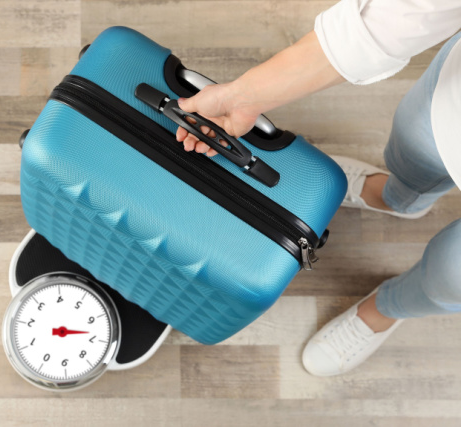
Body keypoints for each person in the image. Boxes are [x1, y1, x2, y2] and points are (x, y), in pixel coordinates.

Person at [176, 0, 461, 376]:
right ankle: (398, 198)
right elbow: (406, 12)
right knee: (414, 147)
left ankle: (385, 308)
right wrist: (247, 96)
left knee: (451, 274)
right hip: (452, 107)